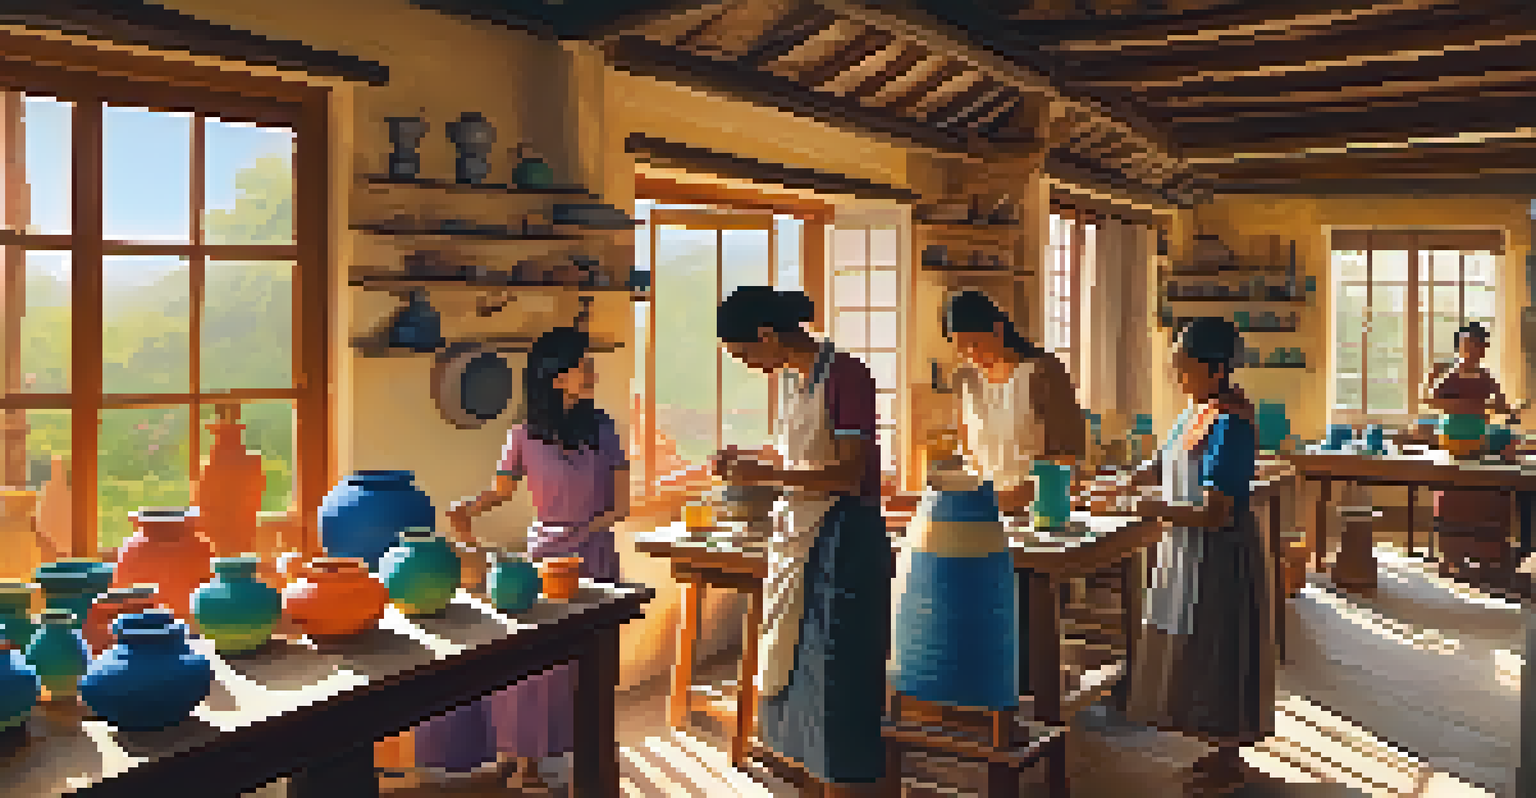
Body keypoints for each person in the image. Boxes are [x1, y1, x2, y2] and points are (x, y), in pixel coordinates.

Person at [413, 326, 630, 791]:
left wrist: (583, 532)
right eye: (580, 365)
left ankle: (589, 762)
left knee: (589, 667)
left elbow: (621, 506)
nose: (590, 372)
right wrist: (466, 508)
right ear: (555, 377)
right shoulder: (523, 434)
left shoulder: (602, 428)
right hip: (542, 559)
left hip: (592, 557)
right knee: (535, 670)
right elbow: (501, 491)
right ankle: (527, 761)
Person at [711, 286, 895, 798]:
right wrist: (750, 457)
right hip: (799, 533)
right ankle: (807, 773)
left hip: (844, 536)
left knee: (836, 667)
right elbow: (797, 453)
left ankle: (845, 781)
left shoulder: (848, 376)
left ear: (767, 336)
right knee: (792, 659)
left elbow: (848, 474)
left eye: (745, 353)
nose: (749, 364)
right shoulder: (794, 380)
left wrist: (766, 474)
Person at [1088, 317, 1273, 795]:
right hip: (1187, 545)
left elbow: (1216, 511)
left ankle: (1229, 758)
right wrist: (1125, 481)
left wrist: (1153, 508)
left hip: (1219, 554)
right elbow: (1163, 462)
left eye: (1184, 367)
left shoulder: (1232, 423)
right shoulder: (1196, 412)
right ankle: (1214, 749)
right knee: (1194, 647)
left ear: (1214, 370)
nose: (1177, 375)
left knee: (1219, 651)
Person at [941, 289, 1086, 515]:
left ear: (997, 330)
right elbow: (969, 454)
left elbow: (1065, 458)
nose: (971, 355)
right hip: (983, 515)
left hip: (1038, 512)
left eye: (976, 344)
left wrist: (1011, 499)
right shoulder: (965, 379)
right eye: (962, 348)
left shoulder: (1043, 373)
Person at [1423, 322, 1523, 583]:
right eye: (1466, 346)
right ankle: (1460, 548)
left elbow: (1500, 405)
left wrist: (1508, 410)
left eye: (1476, 347)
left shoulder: (1485, 376)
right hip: (1455, 437)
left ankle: (1500, 538)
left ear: (1482, 349)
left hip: (1477, 436)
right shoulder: (1452, 374)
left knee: (1510, 442)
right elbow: (1431, 400)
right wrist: (1465, 404)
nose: (1470, 351)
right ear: (1460, 349)